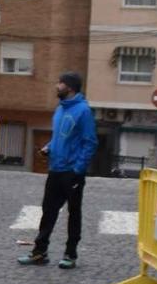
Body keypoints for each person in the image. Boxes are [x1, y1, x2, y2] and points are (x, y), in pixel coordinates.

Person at [20, 72, 98, 270]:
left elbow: (90, 142)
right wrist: (49, 148)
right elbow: (59, 138)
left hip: (72, 172)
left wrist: (78, 169)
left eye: (60, 83)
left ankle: (70, 254)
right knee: (48, 211)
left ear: (70, 88)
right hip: (55, 169)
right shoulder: (60, 109)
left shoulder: (83, 111)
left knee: (73, 213)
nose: (57, 86)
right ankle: (39, 252)